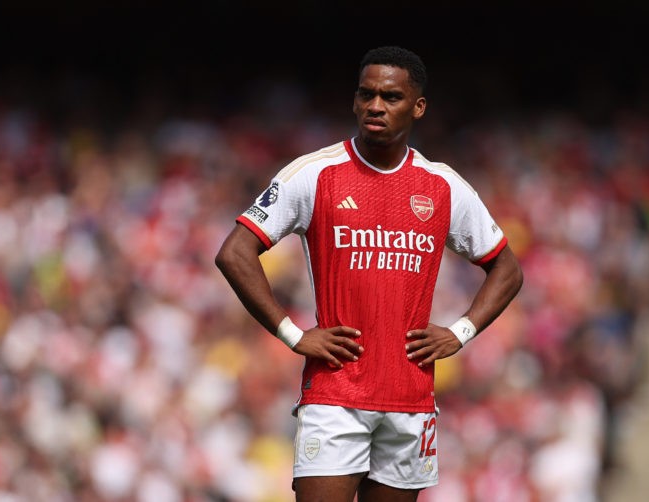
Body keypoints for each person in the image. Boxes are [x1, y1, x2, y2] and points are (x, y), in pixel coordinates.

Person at [215, 45, 523, 502]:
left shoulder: (442, 185)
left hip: (410, 399)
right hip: (335, 394)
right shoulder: (316, 174)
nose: (375, 106)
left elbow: (507, 269)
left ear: (418, 106)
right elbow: (234, 253)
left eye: (391, 97)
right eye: (366, 94)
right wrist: (293, 334)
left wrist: (460, 332)